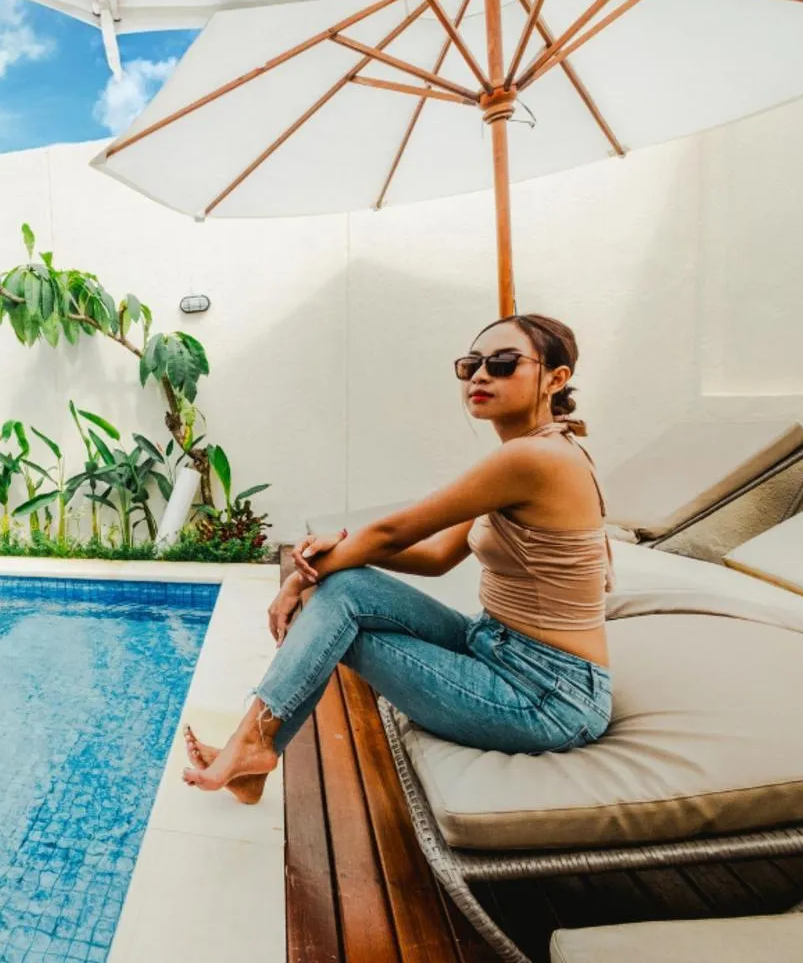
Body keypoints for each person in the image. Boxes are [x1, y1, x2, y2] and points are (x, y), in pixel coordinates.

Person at [182, 313, 615, 804]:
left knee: (334, 623)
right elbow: (435, 557)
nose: (480, 376)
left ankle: (254, 746)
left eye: (503, 364)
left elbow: (391, 533)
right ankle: (255, 750)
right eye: (471, 364)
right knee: (345, 590)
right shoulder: (528, 453)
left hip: (547, 695)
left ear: (556, 379)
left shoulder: (532, 459)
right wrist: (336, 548)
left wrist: (297, 582)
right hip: (495, 647)